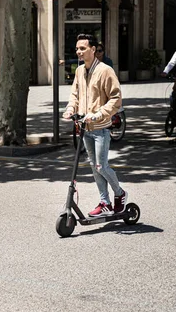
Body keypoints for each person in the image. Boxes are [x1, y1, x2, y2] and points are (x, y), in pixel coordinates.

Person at [62, 33, 127, 217]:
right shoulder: (79, 71)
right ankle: (105, 202)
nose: (78, 52)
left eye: (82, 48)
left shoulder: (106, 70)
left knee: (101, 166)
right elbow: (74, 94)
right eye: (77, 49)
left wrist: (99, 114)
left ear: (93, 50)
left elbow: (116, 98)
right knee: (93, 166)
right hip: (85, 128)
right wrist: (69, 109)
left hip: (101, 128)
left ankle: (120, 193)